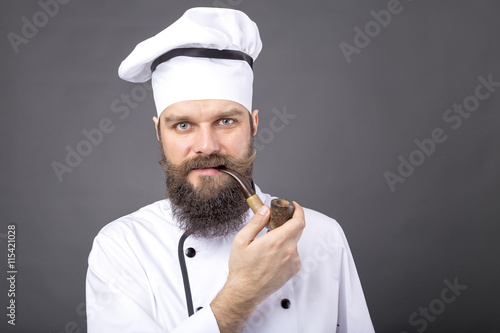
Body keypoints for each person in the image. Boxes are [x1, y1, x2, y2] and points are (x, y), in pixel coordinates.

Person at [86, 7, 375, 333]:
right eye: (183, 125)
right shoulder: (122, 248)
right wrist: (243, 292)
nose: (207, 146)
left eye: (225, 121)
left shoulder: (323, 238)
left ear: (252, 126)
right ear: (159, 133)